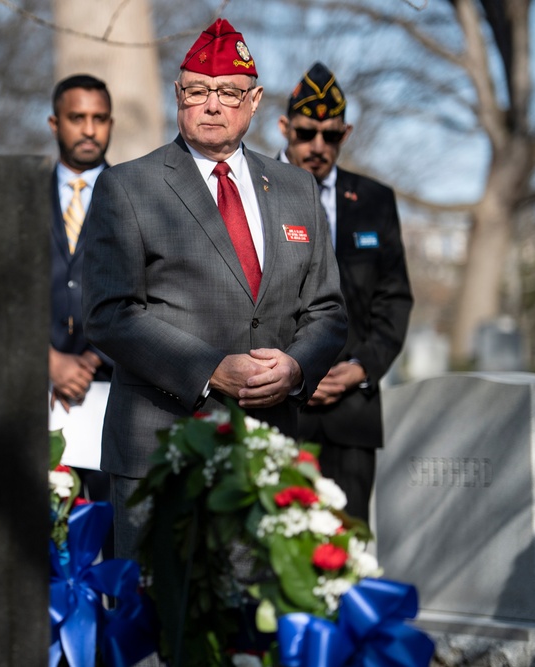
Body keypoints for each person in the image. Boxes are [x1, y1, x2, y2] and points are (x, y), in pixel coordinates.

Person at [80, 19, 347, 562]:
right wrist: (208, 368)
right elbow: (109, 313)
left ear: (254, 101)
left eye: (227, 92)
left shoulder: (296, 188)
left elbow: (327, 309)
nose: (211, 106)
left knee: (256, 630)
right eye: (197, 91)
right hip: (160, 453)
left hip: (267, 454)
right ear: (178, 96)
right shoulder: (129, 186)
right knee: (157, 632)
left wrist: (295, 369)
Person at [280, 62, 413, 524]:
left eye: (330, 136)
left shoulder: (375, 201)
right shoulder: (250, 188)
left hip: (350, 413)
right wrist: (294, 370)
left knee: (347, 556)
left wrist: (360, 368)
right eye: (305, 133)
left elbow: (394, 299)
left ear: (347, 133)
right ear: (284, 128)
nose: (317, 147)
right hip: (275, 407)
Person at [47, 74, 116, 514]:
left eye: (100, 119)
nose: (90, 130)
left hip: (114, 395)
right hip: (34, 392)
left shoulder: (139, 195)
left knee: (114, 541)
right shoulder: (17, 195)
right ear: (55, 123)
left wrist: (96, 356)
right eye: (78, 118)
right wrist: (48, 360)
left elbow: (154, 291)